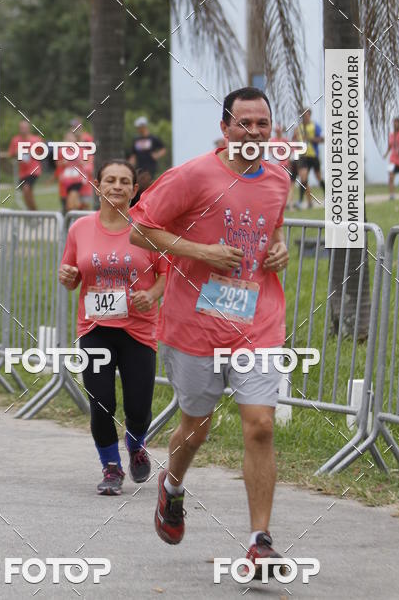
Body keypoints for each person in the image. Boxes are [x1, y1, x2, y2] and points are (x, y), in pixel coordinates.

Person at [129, 87, 291, 579]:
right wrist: (200, 253)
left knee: (260, 424)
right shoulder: (196, 174)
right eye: (244, 123)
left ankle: (259, 542)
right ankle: (172, 486)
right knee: (196, 427)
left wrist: (280, 249)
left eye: (262, 123)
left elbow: (272, 227)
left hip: (256, 320)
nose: (254, 132)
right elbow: (140, 229)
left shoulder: (280, 177)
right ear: (225, 129)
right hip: (194, 324)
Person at [59, 159, 167, 496]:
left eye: (124, 181)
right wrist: (68, 277)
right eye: (109, 180)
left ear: (135, 190)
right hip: (95, 328)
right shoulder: (80, 228)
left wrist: (151, 294)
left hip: (138, 329)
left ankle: (135, 444)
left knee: (138, 407)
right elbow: (70, 275)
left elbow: (167, 272)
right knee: (101, 402)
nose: (116, 186)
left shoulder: (148, 227)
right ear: (97, 185)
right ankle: (111, 467)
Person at [54, 130, 95, 214]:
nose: (69, 139)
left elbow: (88, 165)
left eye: (71, 137)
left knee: (77, 203)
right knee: (70, 205)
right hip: (66, 181)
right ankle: (70, 217)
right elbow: (58, 164)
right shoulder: (62, 151)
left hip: (79, 180)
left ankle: (74, 216)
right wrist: (64, 162)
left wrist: (79, 161)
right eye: (67, 137)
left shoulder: (83, 151)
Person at [128, 116, 166, 204]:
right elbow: (133, 155)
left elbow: (163, 149)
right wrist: (129, 166)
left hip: (150, 169)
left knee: (149, 187)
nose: (138, 130)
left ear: (144, 127)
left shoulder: (153, 139)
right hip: (140, 168)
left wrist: (157, 155)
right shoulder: (136, 140)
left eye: (140, 127)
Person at [293, 109, 325, 209]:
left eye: (306, 115)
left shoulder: (315, 126)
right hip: (303, 156)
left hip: (313, 155)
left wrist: (309, 138)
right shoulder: (298, 128)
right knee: (303, 178)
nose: (305, 117)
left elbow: (322, 140)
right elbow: (294, 140)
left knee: (318, 177)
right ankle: (300, 201)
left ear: (310, 115)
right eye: (303, 115)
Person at [8, 119, 42, 210]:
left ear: (29, 128)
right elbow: (10, 154)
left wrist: (31, 152)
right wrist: (16, 153)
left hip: (34, 170)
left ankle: (33, 213)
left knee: (26, 189)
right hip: (22, 172)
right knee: (27, 193)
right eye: (21, 128)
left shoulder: (36, 140)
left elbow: (43, 153)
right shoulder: (15, 140)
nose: (23, 129)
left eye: (25, 128)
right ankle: (33, 213)